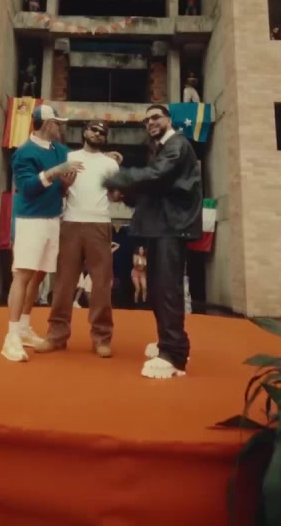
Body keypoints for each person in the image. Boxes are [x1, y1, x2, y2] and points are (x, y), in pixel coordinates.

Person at [104, 104, 203, 379]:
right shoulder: (161, 149)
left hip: (172, 227)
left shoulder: (176, 145)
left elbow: (156, 176)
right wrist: (126, 194)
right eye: (147, 120)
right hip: (162, 226)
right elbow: (155, 189)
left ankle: (174, 356)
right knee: (159, 290)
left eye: (156, 117)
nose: (151, 123)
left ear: (169, 119)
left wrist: (118, 177)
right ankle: (167, 343)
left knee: (168, 290)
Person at [1, 105, 83, 362]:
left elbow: (76, 164)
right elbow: (26, 188)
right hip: (30, 220)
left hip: (52, 219)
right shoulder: (24, 152)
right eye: (57, 123)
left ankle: (24, 328)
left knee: (38, 276)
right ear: (47, 124)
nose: (61, 127)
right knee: (23, 275)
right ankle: (11, 337)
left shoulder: (59, 150)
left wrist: (108, 157)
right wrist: (54, 172)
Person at [38, 120, 120, 358]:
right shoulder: (69, 157)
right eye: (94, 129)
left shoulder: (110, 163)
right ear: (85, 132)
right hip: (71, 222)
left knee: (101, 285)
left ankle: (102, 338)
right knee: (64, 283)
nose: (98, 133)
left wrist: (122, 189)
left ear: (105, 138)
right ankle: (56, 335)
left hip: (100, 223)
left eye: (102, 132)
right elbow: (57, 190)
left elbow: (115, 196)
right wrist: (64, 185)